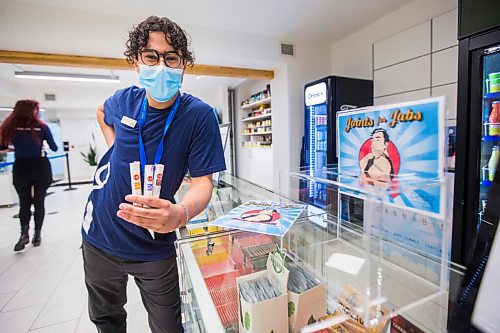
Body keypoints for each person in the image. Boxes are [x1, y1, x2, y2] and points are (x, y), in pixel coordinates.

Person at [81, 16, 226, 333]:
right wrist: (113, 147)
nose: (161, 65)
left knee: (168, 326)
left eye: (171, 57)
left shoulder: (199, 116)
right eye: (151, 56)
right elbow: (101, 113)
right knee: (107, 322)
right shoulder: (123, 101)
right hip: (99, 236)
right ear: (136, 62)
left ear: (183, 63)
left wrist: (182, 213)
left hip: (153, 245)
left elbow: (203, 181)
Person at [0, 99, 58, 251]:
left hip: (21, 167)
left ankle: (23, 233)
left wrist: (15, 148)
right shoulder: (42, 127)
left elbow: (2, 147)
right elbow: (54, 147)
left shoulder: (10, 127)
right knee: (39, 202)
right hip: (40, 166)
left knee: (24, 202)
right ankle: (37, 235)